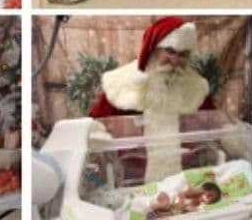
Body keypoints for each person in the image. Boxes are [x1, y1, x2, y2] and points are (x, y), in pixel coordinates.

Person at [89, 17, 214, 181]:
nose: (175, 61)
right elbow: (96, 124)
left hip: (183, 177)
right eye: (170, 51)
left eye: (183, 55)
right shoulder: (124, 81)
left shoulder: (196, 87)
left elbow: (213, 122)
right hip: (131, 177)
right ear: (155, 49)